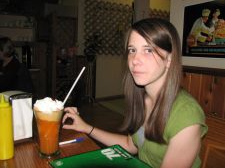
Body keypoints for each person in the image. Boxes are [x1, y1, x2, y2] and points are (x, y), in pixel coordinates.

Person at [62, 18, 208, 168]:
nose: (135, 60)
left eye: (148, 50)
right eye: (132, 50)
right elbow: (130, 145)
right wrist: (86, 128)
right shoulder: (144, 100)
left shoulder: (186, 116)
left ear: (169, 59)